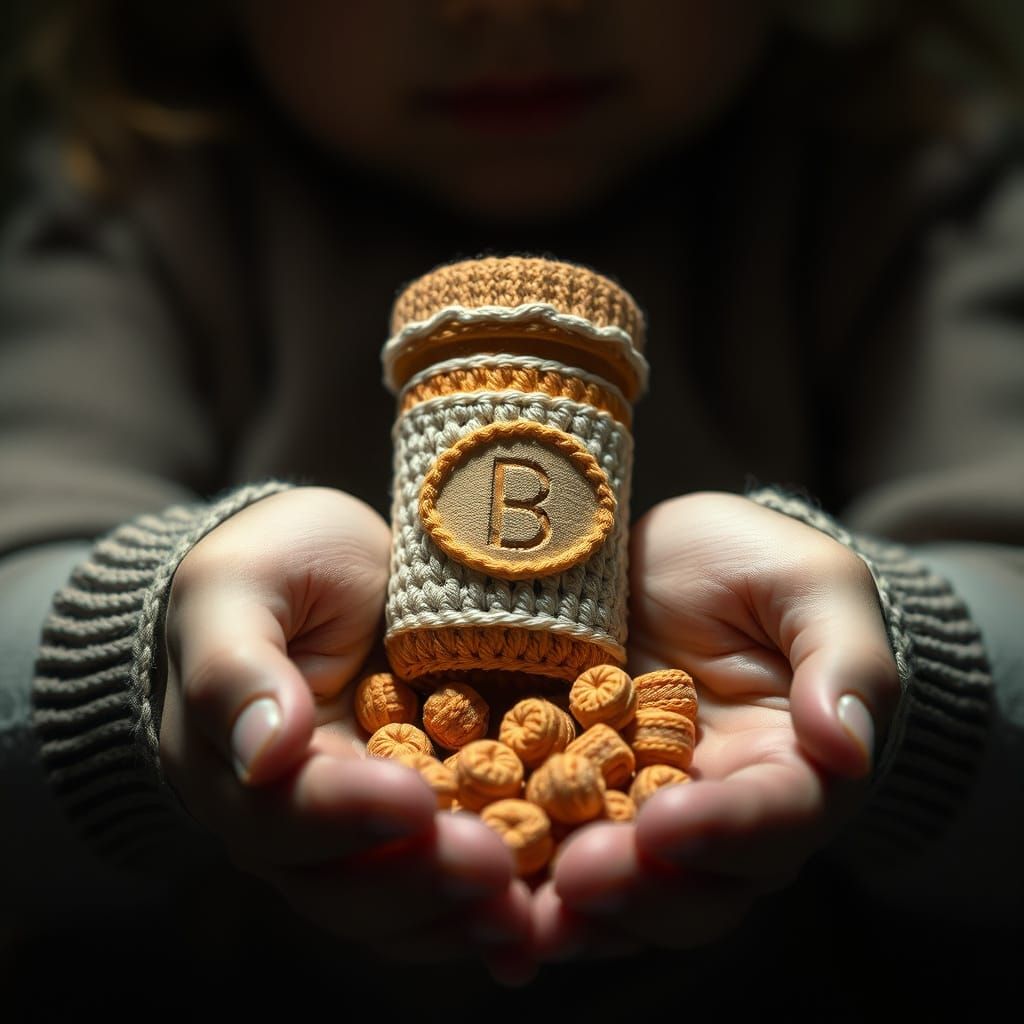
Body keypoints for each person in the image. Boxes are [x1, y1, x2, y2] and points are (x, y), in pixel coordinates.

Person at [1, 0, 1022, 1012]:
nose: (508, 13)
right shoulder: (130, 195)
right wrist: (144, 649)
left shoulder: (909, 182)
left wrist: (908, 668)